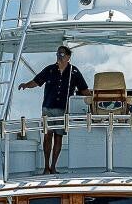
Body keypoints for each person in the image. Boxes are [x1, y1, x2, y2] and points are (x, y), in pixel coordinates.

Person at [18, 46, 90, 174]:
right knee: (47, 135)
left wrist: (93, 99)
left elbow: (83, 89)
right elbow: (37, 81)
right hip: (48, 107)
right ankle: (46, 167)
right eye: (58, 54)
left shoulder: (74, 72)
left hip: (63, 108)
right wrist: (26, 85)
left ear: (68, 57)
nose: (59, 57)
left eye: (62, 54)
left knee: (58, 136)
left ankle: (53, 166)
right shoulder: (50, 69)